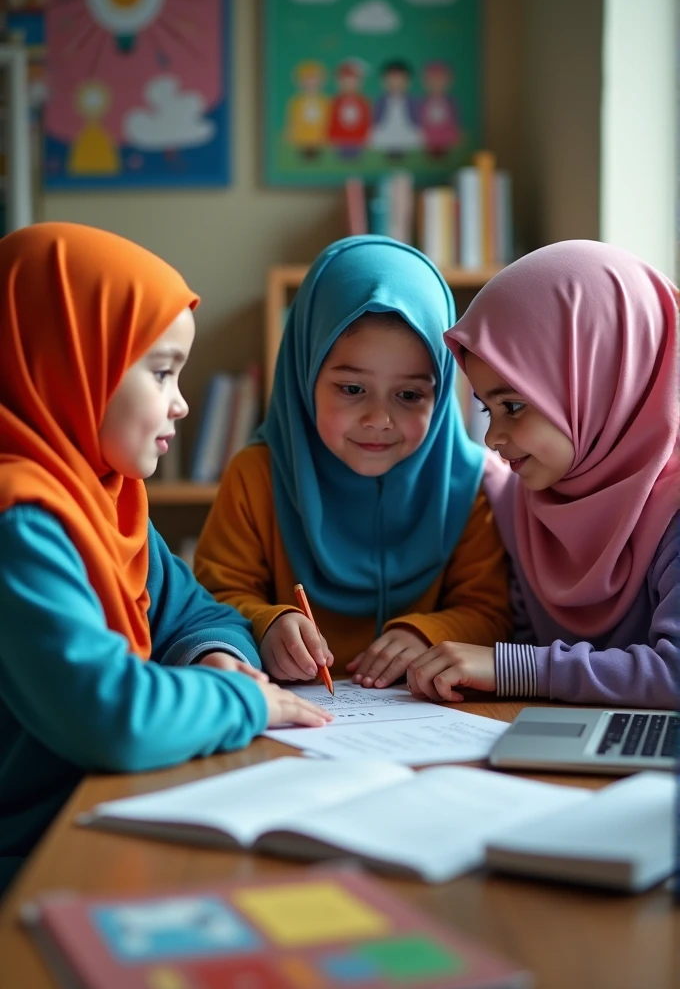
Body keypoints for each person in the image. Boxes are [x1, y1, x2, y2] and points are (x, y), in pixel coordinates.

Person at [0, 223, 330, 895]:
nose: (181, 401)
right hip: (35, 857)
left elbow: (195, 609)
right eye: (161, 371)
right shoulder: (20, 523)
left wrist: (214, 654)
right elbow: (110, 717)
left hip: (107, 816)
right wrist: (243, 698)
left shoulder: (107, 493)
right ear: (69, 363)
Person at [194, 236, 511, 688]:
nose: (379, 420)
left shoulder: (468, 484)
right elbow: (212, 600)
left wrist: (427, 633)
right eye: (351, 389)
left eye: (409, 395)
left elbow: (492, 613)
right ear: (306, 374)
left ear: (441, 397)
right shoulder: (257, 476)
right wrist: (267, 624)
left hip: (422, 720)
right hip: (292, 718)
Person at [407, 240, 680, 708]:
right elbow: (512, 634)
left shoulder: (671, 509)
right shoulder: (518, 502)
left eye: (513, 406)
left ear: (600, 382)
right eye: (487, 409)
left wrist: (517, 667)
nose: (493, 437)